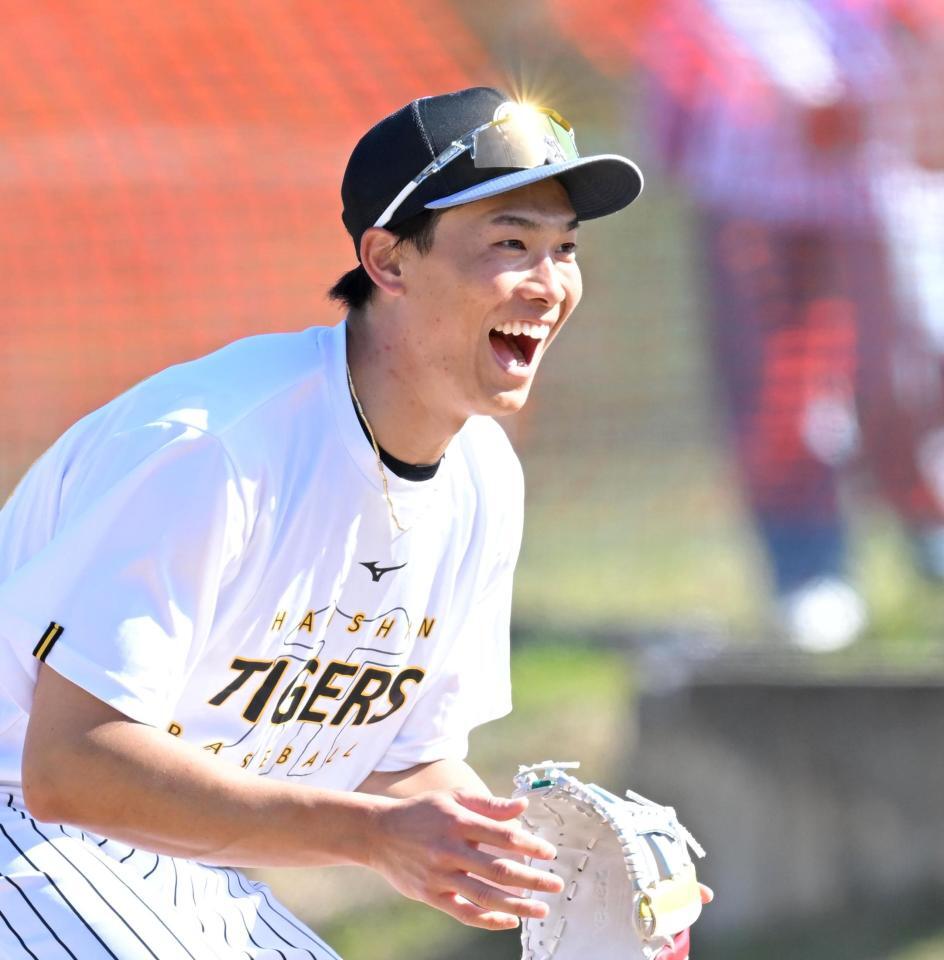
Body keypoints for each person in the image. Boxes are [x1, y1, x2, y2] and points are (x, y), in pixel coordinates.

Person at [0, 86, 692, 959]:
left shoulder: (483, 481)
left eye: (564, 248)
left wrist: (535, 866)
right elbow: (67, 768)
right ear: (388, 260)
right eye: (511, 243)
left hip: (180, 867)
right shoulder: (217, 449)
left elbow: (402, 764)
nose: (548, 284)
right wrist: (373, 839)